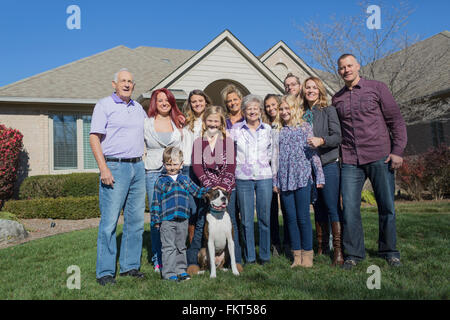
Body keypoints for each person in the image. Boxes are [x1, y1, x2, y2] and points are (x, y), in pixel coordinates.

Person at [332, 53, 407, 269]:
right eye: (342, 67)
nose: (346, 70)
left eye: (349, 66)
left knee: (386, 206)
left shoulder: (377, 88)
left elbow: (396, 121)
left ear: (357, 66)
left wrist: (398, 151)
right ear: (339, 71)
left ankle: (389, 251)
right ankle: (354, 254)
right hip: (350, 160)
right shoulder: (337, 99)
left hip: (379, 156)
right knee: (350, 209)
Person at [90, 68, 147, 286]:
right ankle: (105, 272)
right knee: (109, 223)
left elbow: (150, 131)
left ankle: (129, 267)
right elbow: (94, 137)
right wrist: (103, 168)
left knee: (135, 221)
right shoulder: (104, 105)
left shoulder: (138, 108)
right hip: (114, 166)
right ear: (114, 84)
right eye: (123, 81)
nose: (127, 84)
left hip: (137, 167)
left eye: (130, 81)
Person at [187, 105, 243, 275]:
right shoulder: (199, 142)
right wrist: (210, 186)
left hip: (226, 189)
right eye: (209, 120)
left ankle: (236, 261)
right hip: (208, 190)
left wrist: (223, 186)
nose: (212, 123)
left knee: (231, 222)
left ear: (221, 123)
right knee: (200, 225)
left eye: (216, 121)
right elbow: (197, 166)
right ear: (205, 122)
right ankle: (193, 262)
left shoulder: (227, 142)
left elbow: (231, 166)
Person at [272, 95, 325, 268]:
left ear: (295, 109)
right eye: (282, 109)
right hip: (285, 180)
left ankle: (308, 255)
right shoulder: (278, 131)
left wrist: (319, 175)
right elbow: (276, 157)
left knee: (303, 218)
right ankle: (297, 256)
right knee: (291, 219)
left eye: (288, 108)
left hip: (302, 178)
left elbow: (313, 154)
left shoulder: (305, 128)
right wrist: (275, 180)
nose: (284, 112)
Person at [150, 146, 209, 282]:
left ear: (181, 164)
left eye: (175, 164)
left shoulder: (184, 179)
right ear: (164, 164)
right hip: (166, 220)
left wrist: (208, 191)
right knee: (168, 247)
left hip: (183, 219)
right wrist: (156, 220)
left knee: (181, 246)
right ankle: (169, 273)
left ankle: (181, 270)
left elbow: (196, 191)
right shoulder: (161, 181)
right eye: (168, 164)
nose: (172, 167)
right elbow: (155, 202)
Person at [302, 76, 343, 266]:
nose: (310, 90)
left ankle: (339, 251)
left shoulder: (328, 110)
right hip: (308, 167)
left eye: (314, 87)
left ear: (320, 90)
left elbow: (337, 137)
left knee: (331, 205)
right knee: (317, 206)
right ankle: (321, 247)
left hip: (328, 164)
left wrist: (322, 140)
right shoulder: (301, 113)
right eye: (307, 88)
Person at [144, 88, 185, 273]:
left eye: (167, 100)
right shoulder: (146, 123)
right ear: (155, 102)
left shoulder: (178, 122)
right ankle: (158, 258)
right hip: (153, 171)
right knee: (157, 216)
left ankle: (176, 257)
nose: (163, 103)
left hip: (174, 173)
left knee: (174, 216)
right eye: (160, 100)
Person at [229, 95, 273, 265]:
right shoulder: (236, 130)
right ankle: (250, 257)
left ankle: (264, 255)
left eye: (255, 108)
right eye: (249, 108)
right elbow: (228, 151)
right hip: (243, 178)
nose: (252, 111)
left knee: (264, 218)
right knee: (246, 220)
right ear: (244, 111)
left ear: (260, 110)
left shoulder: (268, 129)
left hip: (264, 177)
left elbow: (272, 153)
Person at [181, 90, 212, 243]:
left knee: (206, 205)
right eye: (194, 101)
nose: (197, 104)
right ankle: (193, 244)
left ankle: (207, 243)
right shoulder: (186, 122)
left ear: (205, 101)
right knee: (192, 207)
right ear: (190, 104)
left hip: (206, 168)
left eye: (200, 100)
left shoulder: (212, 120)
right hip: (188, 167)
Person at [263, 94, 290, 257]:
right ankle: (274, 243)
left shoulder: (286, 124)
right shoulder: (265, 126)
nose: (271, 108)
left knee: (287, 208)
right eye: (267, 106)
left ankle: (289, 242)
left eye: (274, 105)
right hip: (268, 170)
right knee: (271, 208)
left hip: (286, 169)